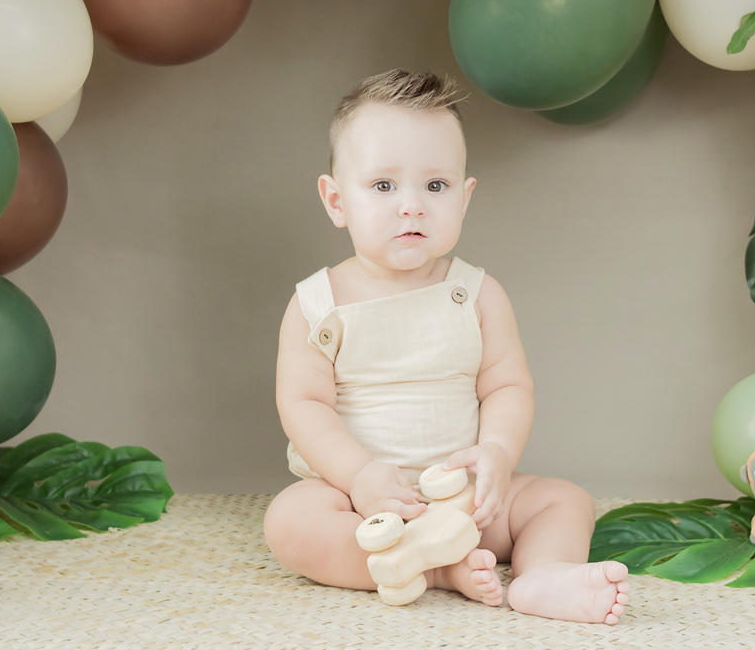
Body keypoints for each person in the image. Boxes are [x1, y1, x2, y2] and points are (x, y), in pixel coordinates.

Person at [262, 69, 629, 623]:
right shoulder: (317, 305)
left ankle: (543, 574)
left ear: (464, 197)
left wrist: (498, 453)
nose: (412, 206)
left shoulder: (477, 295)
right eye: (383, 186)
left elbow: (507, 386)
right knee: (293, 521)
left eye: (435, 186)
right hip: (362, 506)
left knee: (563, 500)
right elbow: (304, 404)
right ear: (336, 201)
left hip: (463, 500)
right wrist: (359, 476)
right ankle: (431, 567)